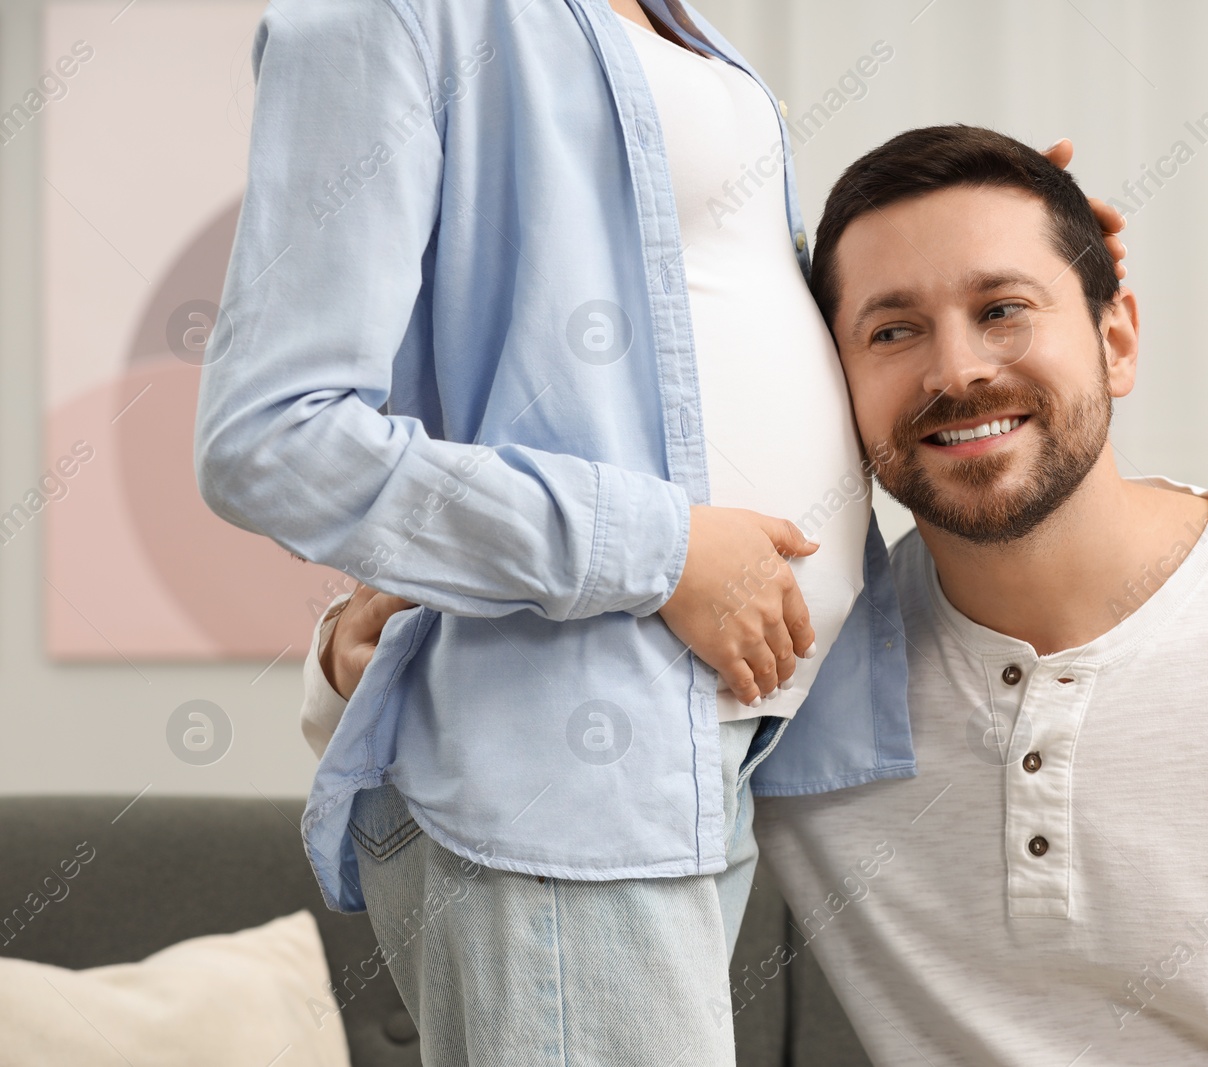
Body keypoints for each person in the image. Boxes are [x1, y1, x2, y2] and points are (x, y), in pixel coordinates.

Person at [316, 124, 1208, 1065]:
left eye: (1005, 308)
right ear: (833, 382)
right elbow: (505, 777)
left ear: (1116, 336)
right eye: (891, 330)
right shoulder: (801, 656)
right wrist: (365, 647)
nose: (958, 370)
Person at [194, 0, 1122, 1061]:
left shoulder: (672, 23)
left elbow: (678, 328)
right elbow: (268, 440)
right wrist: (662, 546)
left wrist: (992, 259)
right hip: (569, 766)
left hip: (710, 750)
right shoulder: (399, 16)